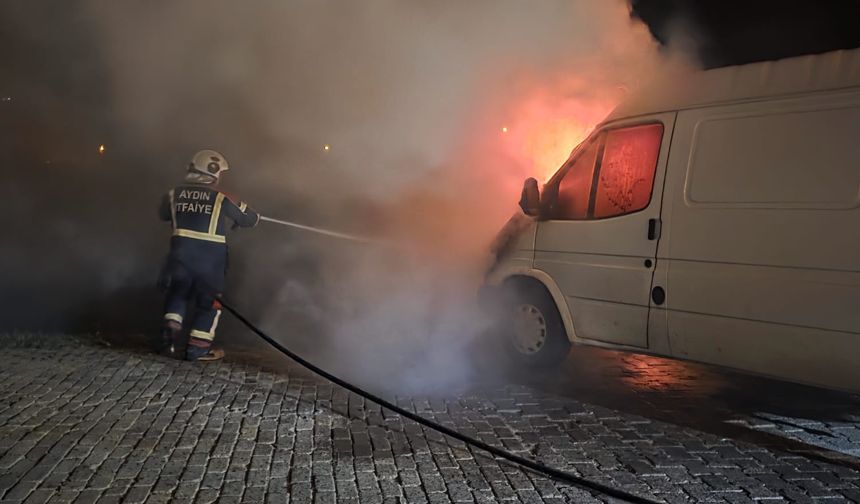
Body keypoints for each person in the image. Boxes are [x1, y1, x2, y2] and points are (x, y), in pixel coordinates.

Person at [158, 149, 260, 361]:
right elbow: (247, 219)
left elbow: (163, 214)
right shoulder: (221, 198)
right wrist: (254, 215)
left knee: (178, 293)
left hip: (178, 258)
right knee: (209, 304)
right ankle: (198, 348)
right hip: (210, 264)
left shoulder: (172, 194)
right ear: (213, 173)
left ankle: (170, 331)